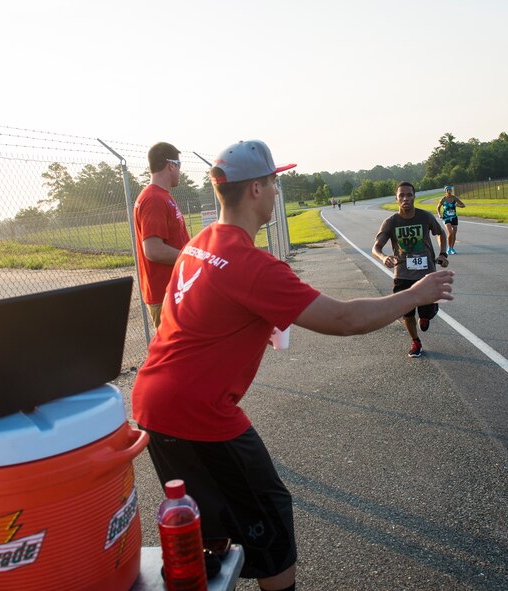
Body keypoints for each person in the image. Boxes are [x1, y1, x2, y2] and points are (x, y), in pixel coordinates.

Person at [132, 140, 453, 591]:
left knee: (206, 526)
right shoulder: (251, 265)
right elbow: (344, 319)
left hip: (152, 402)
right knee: (270, 515)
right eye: (274, 181)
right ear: (256, 190)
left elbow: (177, 308)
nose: (279, 190)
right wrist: (418, 293)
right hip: (197, 410)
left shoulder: (200, 243)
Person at [373, 181, 449, 358]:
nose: (406, 198)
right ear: (397, 199)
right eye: (402, 195)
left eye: (409, 195)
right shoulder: (391, 222)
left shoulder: (425, 217)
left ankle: (425, 316)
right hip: (403, 275)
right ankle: (416, 342)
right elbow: (376, 248)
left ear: (414, 197)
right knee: (406, 313)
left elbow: (441, 234)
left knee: (427, 313)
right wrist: (384, 257)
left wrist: (443, 254)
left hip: (426, 274)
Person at [133, 142, 190, 329]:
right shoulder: (154, 198)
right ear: (171, 165)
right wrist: (190, 258)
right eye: (179, 165)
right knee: (177, 356)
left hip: (175, 290)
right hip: (165, 294)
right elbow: (153, 250)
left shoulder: (162, 195)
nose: (180, 171)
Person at [436, 185, 465, 254]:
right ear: (445, 191)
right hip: (446, 217)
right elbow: (438, 207)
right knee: (450, 233)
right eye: (447, 190)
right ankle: (448, 248)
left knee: (454, 234)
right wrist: (439, 214)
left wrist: (458, 205)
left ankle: (451, 248)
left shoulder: (455, 198)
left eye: (450, 190)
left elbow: (463, 205)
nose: (449, 191)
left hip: (454, 217)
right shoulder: (443, 199)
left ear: (451, 191)